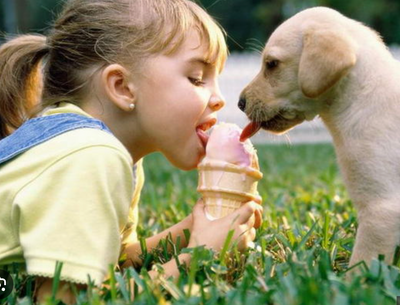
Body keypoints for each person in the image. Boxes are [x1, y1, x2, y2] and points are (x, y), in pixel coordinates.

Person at [0, 0, 263, 303]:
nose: (218, 99)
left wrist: (189, 230)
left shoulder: (110, 154)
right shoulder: (91, 155)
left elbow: (115, 261)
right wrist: (197, 258)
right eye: (197, 78)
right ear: (122, 86)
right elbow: (63, 298)